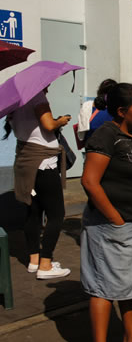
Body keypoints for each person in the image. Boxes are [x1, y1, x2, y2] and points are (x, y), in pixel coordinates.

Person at [80, 83, 132, 342]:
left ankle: (131, 338)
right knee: (103, 287)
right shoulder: (105, 135)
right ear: (122, 111)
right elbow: (90, 181)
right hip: (111, 229)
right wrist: (115, 218)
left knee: (130, 286)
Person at [5, 86, 71, 279]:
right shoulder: (37, 96)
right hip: (43, 164)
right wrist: (61, 120)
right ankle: (46, 264)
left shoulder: (16, 103)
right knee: (57, 214)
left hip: (26, 162)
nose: (49, 87)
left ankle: (34, 260)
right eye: (48, 84)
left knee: (33, 212)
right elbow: (48, 125)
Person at [76, 79, 118, 147]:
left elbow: (83, 130)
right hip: (111, 148)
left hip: (91, 147)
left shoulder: (88, 107)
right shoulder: (118, 110)